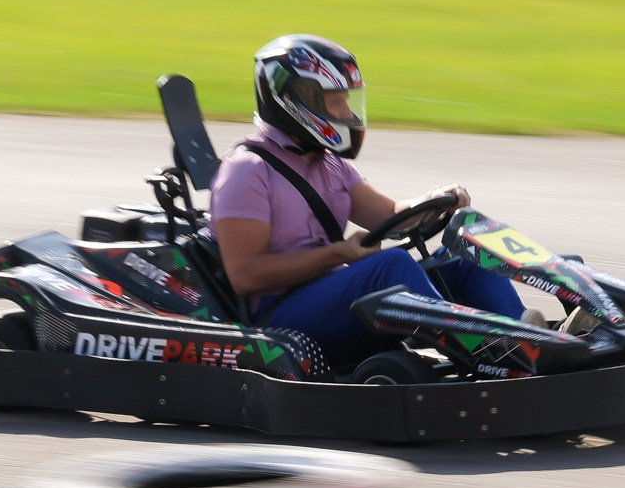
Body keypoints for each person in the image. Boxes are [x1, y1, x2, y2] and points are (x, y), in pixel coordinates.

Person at [210, 34, 525, 370]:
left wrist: (437, 200)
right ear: (297, 99)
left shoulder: (330, 163)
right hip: (282, 318)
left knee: (465, 257)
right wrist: (338, 253)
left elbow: (389, 216)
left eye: (346, 101)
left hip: (334, 295)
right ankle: (486, 354)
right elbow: (245, 275)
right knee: (390, 266)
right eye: (335, 103)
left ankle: (525, 337)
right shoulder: (247, 170)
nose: (346, 112)